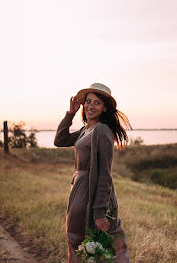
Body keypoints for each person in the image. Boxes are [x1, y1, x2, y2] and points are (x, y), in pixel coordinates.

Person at [54, 83, 131, 263]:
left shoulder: (102, 130)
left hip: (92, 193)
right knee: (80, 245)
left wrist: (99, 212)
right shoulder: (85, 130)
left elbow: (105, 174)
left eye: (97, 103)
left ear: (105, 108)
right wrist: (70, 113)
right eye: (88, 101)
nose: (90, 106)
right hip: (78, 192)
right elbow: (60, 140)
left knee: (106, 246)